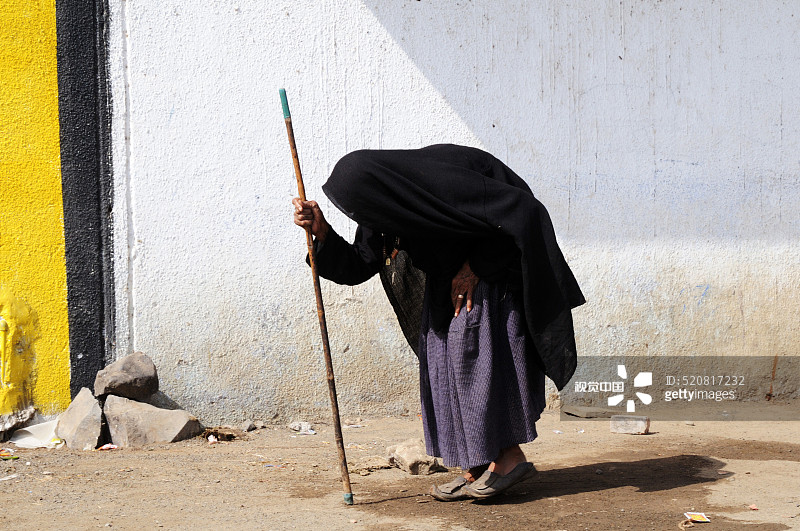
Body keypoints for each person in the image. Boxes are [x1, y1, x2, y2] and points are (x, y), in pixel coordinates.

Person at [293, 144, 584, 500]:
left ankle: (509, 458)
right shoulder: (387, 206)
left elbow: (522, 213)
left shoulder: (442, 182)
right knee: (443, 368)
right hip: (445, 286)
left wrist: (475, 267)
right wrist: (322, 233)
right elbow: (359, 264)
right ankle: (476, 466)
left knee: (471, 363)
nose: (364, 216)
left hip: (489, 279)